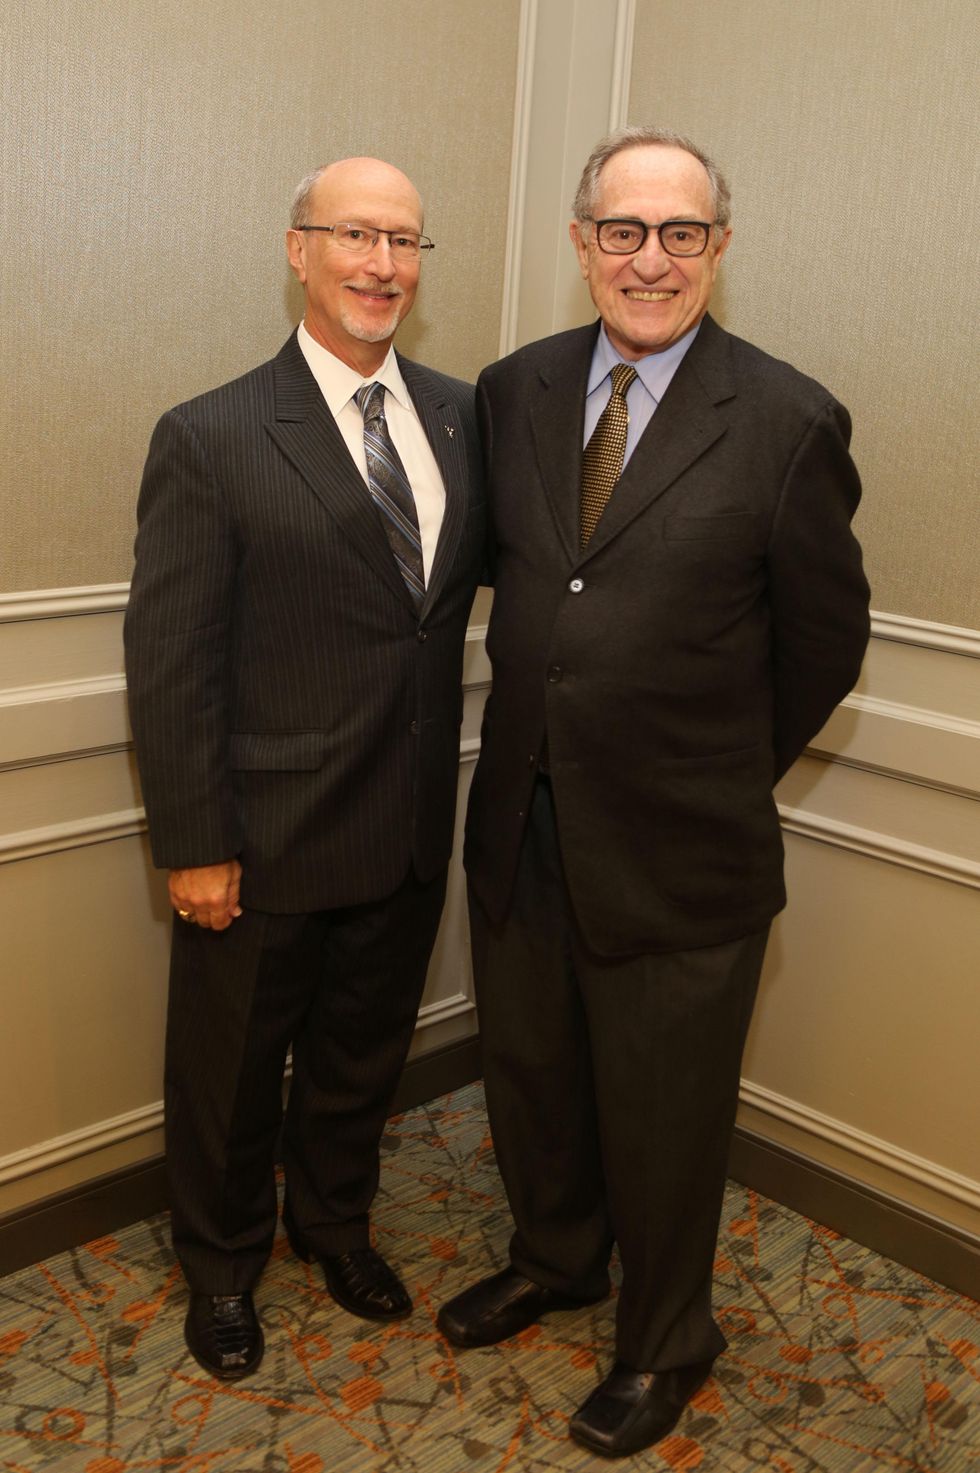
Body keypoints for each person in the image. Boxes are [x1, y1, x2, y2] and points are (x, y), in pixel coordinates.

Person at [437, 126, 870, 1458]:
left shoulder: (788, 419)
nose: (651, 257)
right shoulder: (510, 393)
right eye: (623, 229)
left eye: (682, 232)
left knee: (668, 1113)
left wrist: (709, 764)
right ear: (581, 244)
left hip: (686, 848)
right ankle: (559, 1256)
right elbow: (528, 590)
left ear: (719, 250)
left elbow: (824, 644)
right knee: (536, 1074)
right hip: (524, 818)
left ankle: (665, 1338)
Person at [124, 157, 483, 1381]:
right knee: (226, 1077)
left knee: (359, 1054)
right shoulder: (212, 434)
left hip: (405, 821)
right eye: (356, 236)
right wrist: (194, 841)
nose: (382, 264)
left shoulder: (455, 419)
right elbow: (173, 662)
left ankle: (332, 1222)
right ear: (299, 250)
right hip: (261, 836)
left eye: (405, 241)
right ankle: (222, 1266)